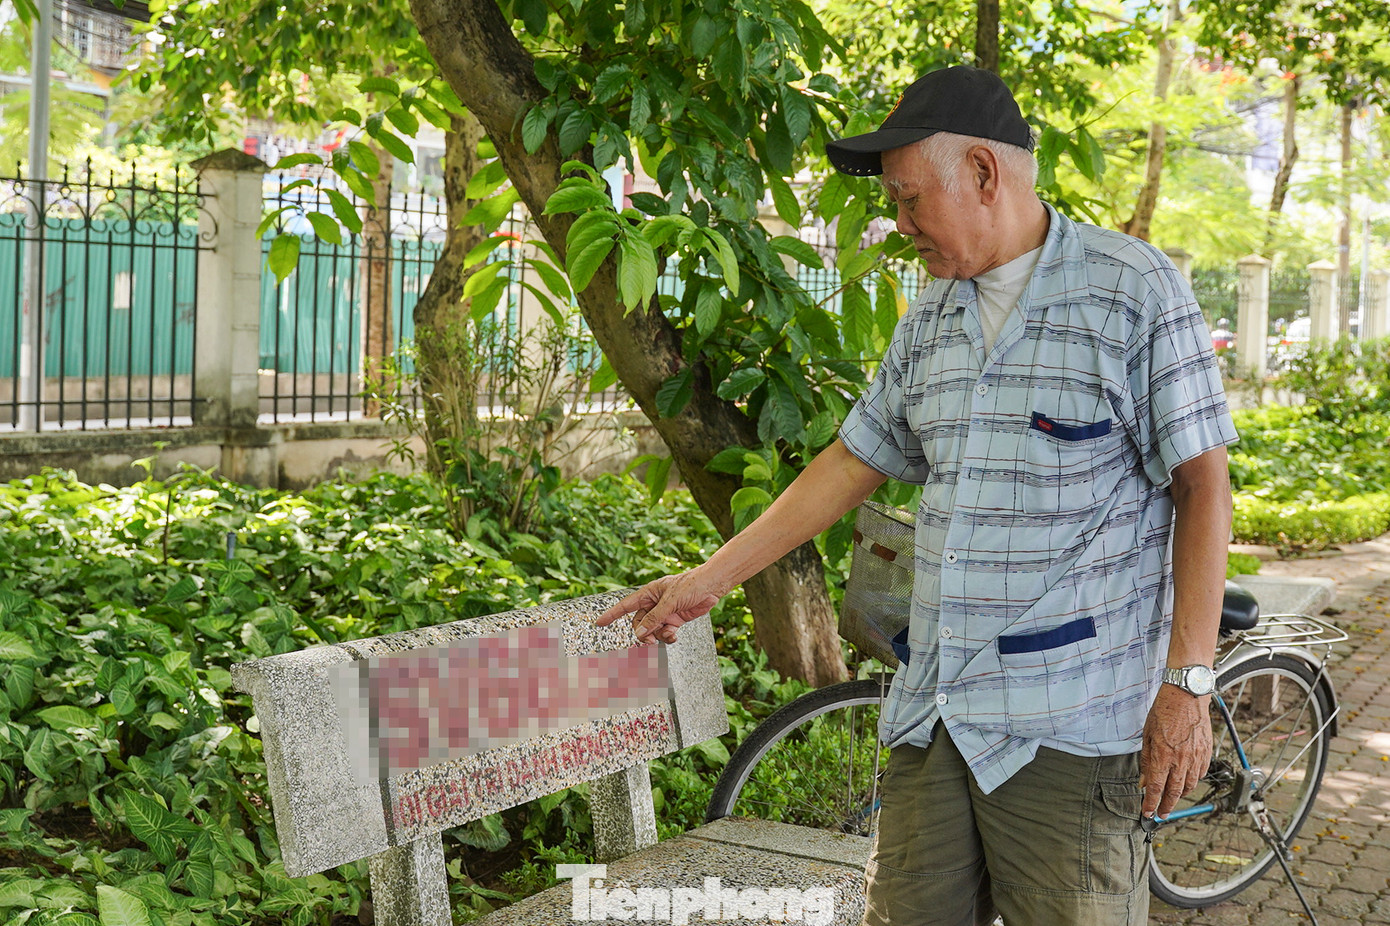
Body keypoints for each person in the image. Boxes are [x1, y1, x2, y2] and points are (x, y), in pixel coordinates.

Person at [598, 65, 1236, 925]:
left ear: (983, 173)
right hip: (934, 715)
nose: (900, 227)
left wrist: (1186, 684)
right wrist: (706, 580)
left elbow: (1203, 484)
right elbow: (851, 459)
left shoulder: (1135, 291)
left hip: (1069, 728)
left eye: (908, 200)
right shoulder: (930, 319)